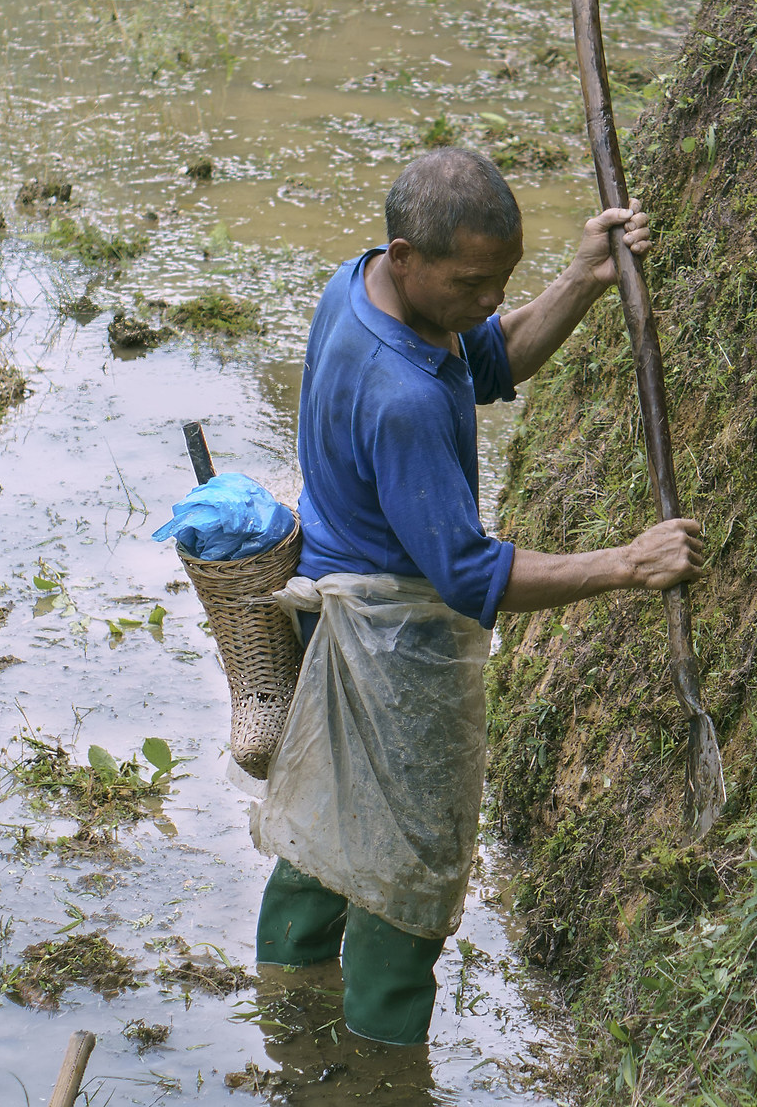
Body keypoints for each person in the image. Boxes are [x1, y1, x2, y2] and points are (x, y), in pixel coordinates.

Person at [254, 146, 703, 1046]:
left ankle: (283, 1011)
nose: (491, 298)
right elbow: (468, 575)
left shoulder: (361, 284)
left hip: (333, 617)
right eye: (473, 283)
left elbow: (488, 358)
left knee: (325, 819)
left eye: (505, 277)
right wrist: (629, 562)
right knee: (402, 866)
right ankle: (382, 1086)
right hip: (387, 643)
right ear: (406, 256)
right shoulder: (403, 397)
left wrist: (582, 278)